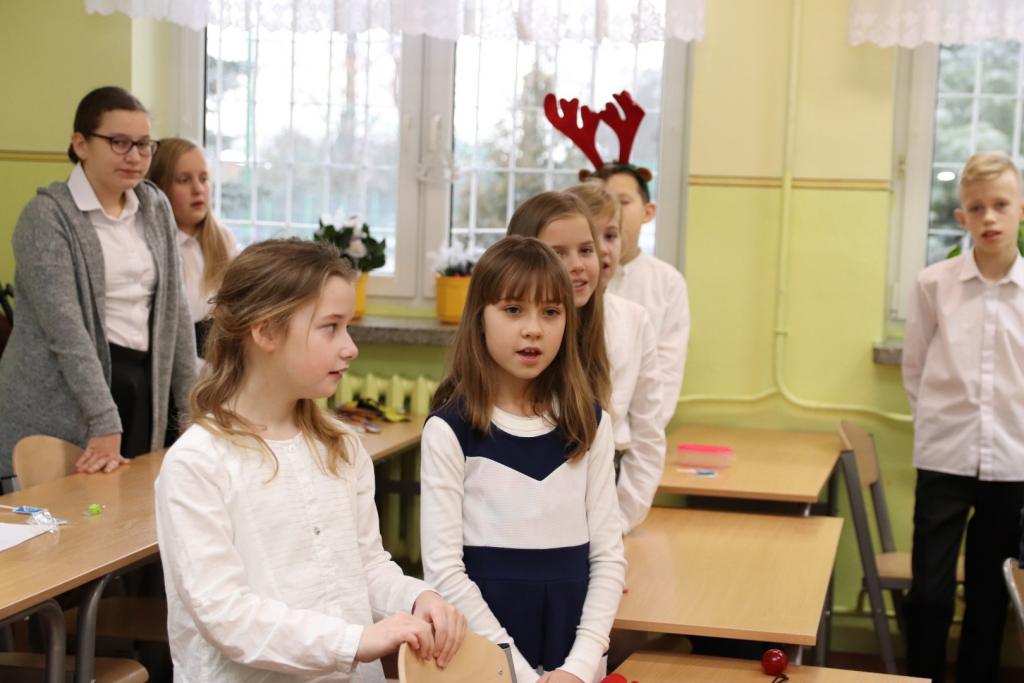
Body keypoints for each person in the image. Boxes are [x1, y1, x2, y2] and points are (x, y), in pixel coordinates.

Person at [156, 238, 466, 682]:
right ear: (265, 332)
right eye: (330, 327)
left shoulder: (342, 447)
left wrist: (418, 598)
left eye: (348, 327)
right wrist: (354, 642)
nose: (350, 347)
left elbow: (367, 567)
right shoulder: (197, 463)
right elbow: (225, 614)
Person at [420, 236, 625, 683]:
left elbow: (609, 558)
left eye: (551, 312)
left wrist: (578, 668)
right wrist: (516, 672)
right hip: (485, 659)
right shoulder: (449, 430)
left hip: (575, 660)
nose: (533, 329)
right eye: (513, 309)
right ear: (479, 318)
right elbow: (444, 571)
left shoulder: (590, 423)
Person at [0, 86, 195, 483]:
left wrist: (193, 410)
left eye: (144, 144)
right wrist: (103, 417)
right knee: (72, 516)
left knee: (132, 508)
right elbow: (66, 331)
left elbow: (174, 312)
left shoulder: (154, 205)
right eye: (119, 142)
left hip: (139, 384)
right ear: (81, 144)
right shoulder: (46, 217)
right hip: (64, 398)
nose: (135, 156)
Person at [902, 151, 1024, 683]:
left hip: (1013, 462)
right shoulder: (934, 284)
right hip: (945, 457)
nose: (989, 217)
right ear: (962, 217)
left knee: (988, 596)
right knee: (930, 593)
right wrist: (938, 423)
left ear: (1021, 210)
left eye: (1001, 205)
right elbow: (915, 367)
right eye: (977, 208)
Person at [511, 190, 663, 533]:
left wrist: (617, 524)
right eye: (558, 253)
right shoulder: (517, 337)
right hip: (525, 514)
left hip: (604, 506)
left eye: (586, 249)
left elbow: (648, 436)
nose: (577, 265)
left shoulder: (631, 321)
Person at [596, 164, 690, 429]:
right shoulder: (576, 277)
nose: (612, 211)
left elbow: (666, 375)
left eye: (623, 201)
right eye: (602, 202)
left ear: (648, 212)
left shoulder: (667, 283)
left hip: (633, 438)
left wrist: (638, 438)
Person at [147, 138, 239, 359]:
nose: (198, 189)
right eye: (183, 180)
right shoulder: (151, 247)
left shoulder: (224, 239)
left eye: (204, 178)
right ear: (159, 188)